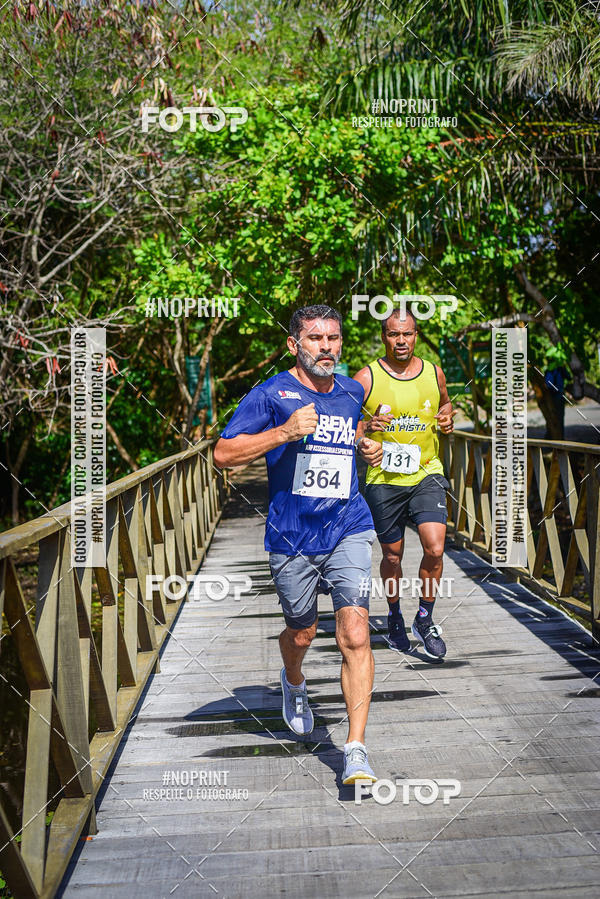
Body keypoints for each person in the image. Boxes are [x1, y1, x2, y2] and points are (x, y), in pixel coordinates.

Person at [214, 304, 382, 784]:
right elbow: (223, 453)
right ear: (294, 344)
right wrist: (284, 432)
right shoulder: (270, 394)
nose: (326, 347)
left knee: (355, 634)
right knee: (303, 632)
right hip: (292, 535)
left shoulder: (351, 391)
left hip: (348, 525)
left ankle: (355, 749)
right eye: (315, 338)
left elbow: (351, 435)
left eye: (333, 338)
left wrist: (367, 445)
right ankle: (293, 680)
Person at [353, 309, 456, 659]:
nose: (401, 341)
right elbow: (346, 424)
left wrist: (447, 419)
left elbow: (446, 405)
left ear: (415, 336)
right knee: (392, 555)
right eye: (394, 334)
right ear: (384, 337)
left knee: (435, 548)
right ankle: (395, 615)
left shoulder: (433, 372)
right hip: (384, 478)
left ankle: (424, 618)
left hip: (426, 471)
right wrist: (364, 433)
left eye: (407, 334)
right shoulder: (366, 377)